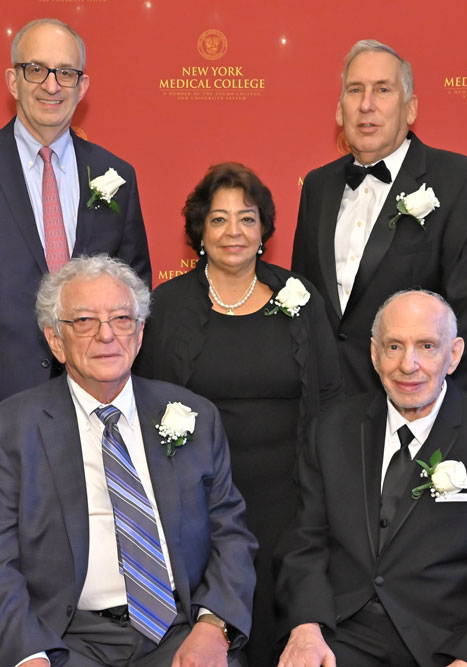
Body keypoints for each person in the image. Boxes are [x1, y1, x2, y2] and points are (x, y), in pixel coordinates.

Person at [0, 256, 256, 667]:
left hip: (178, 631)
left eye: (121, 319)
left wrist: (214, 626)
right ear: (54, 340)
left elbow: (231, 533)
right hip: (64, 638)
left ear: (138, 335)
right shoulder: (7, 432)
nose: (106, 335)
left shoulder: (195, 415)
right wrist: (28, 655)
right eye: (84, 321)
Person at [276, 290, 467, 667]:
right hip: (344, 636)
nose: (409, 365)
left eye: (426, 346)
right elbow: (303, 543)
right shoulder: (331, 432)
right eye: (394, 346)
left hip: (450, 645)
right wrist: (306, 627)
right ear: (374, 354)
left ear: (453, 355)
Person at [135, 162, 343, 665]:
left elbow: (331, 395)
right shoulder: (166, 305)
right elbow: (146, 403)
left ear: (264, 230)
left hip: (289, 498)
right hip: (199, 502)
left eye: (246, 219)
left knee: (281, 631)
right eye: (219, 219)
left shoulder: (299, 298)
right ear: (200, 232)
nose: (234, 232)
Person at [0, 18, 151, 410]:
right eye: (36, 69)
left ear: (83, 86)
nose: (51, 84)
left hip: (93, 396)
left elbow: (135, 293)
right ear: (13, 81)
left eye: (65, 72)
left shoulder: (117, 175)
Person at [291, 39, 467, 397]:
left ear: (411, 108)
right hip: (326, 408)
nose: (366, 104)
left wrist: (435, 404)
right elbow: (304, 298)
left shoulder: (458, 180)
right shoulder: (317, 185)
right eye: (355, 90)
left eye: (382, 90)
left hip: (415, 403)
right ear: (340, 110)